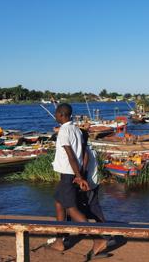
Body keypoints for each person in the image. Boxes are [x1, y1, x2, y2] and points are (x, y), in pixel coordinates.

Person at [50, 103, 108, 260]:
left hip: (69, 174)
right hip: (71, 174)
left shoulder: (63, 131)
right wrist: (80, 172)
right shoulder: (76, 129)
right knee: (59, 203)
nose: (55, 116)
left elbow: (70, 155)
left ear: (61, 115)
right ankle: (59, 240)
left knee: (71, 208)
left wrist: (79, 176)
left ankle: (98, 240)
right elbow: (82, 152)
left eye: (56, 113)